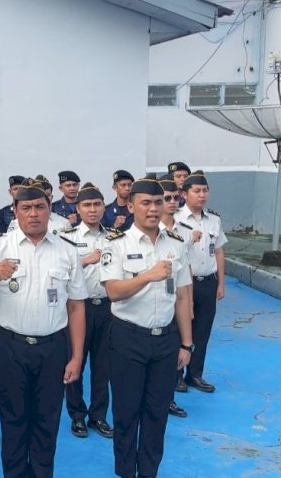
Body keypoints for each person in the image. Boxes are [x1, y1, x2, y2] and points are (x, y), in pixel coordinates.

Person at [0, 182, 86, 478]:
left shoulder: (67, 251)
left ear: (50, 210)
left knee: (47, 421)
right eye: (26, 208)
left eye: (39, 207)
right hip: (9, 346)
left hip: (53, 347)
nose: (34, 214)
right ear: (15, 211)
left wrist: (76, 357)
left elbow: (76, 306)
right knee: (13, 420)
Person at [100, 177, 194, 478]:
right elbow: (113, 291)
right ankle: (126, 472)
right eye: (146, 203)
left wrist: (186, 343)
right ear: (131, 206)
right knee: (126, 412)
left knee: (157, 414)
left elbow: (182, 296)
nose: (153, 209)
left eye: (158, 202)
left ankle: (149, 472)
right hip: (128, 338)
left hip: (165, 340)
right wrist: (148, 276)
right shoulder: (115, 244)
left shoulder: (176, 244)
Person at [60, 183, 114, 439]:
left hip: (107, 308)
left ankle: (98, 415)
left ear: (104, 207)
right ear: (78, 209)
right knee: (75, 361)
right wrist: (85, 260)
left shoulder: (114, 238)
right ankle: (77, 415)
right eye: (87, 205)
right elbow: (61, 271)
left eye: (97, 204)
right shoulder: (67, 238)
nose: (92, 210)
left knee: (104, 365)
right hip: (78, 308)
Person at [176, 171, 226, 393]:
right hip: (185, 283)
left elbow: (219, 252)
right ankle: (176, 374)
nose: (202, 195)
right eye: (196, 191)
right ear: (184, 194)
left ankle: (194, 374)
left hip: (208, 282)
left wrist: (220, 283)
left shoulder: (214, 219)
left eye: (205, 190)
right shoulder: (176, 218)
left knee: (203, 329)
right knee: (181, 328)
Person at [158, 176, 194, 418]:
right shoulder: (142, 229)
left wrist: (189, 304)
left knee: (175, 352)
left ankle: (168, 398)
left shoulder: (184, 233)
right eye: (166, 198)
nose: (171, 202)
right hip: (154, 304)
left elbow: (186, 273)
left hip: (176, 300)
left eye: (174, 198)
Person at [6, 177, 71, 235]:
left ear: (52, 197)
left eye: (47, 195)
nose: (33, 214)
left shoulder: (63, 222)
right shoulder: (16, 223)